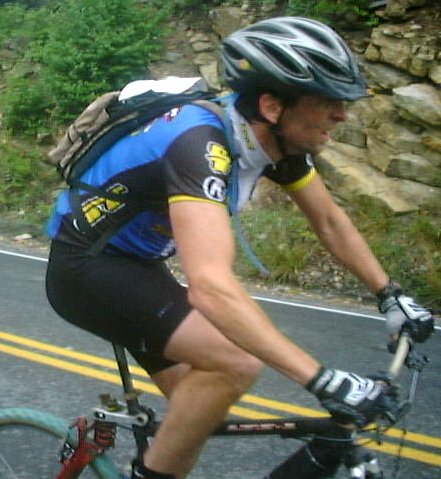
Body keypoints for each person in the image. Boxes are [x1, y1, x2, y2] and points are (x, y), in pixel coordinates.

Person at [45, 17, 434, 479]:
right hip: (86, 271)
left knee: (197, 412)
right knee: (235, 364)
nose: (342, 115)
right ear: (272, 106)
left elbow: (329, 221)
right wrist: (323, 379)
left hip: (140, 268)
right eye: (328, 101)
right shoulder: (198, 144)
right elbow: (210, 285)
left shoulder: (271, 141)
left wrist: (390, 294)